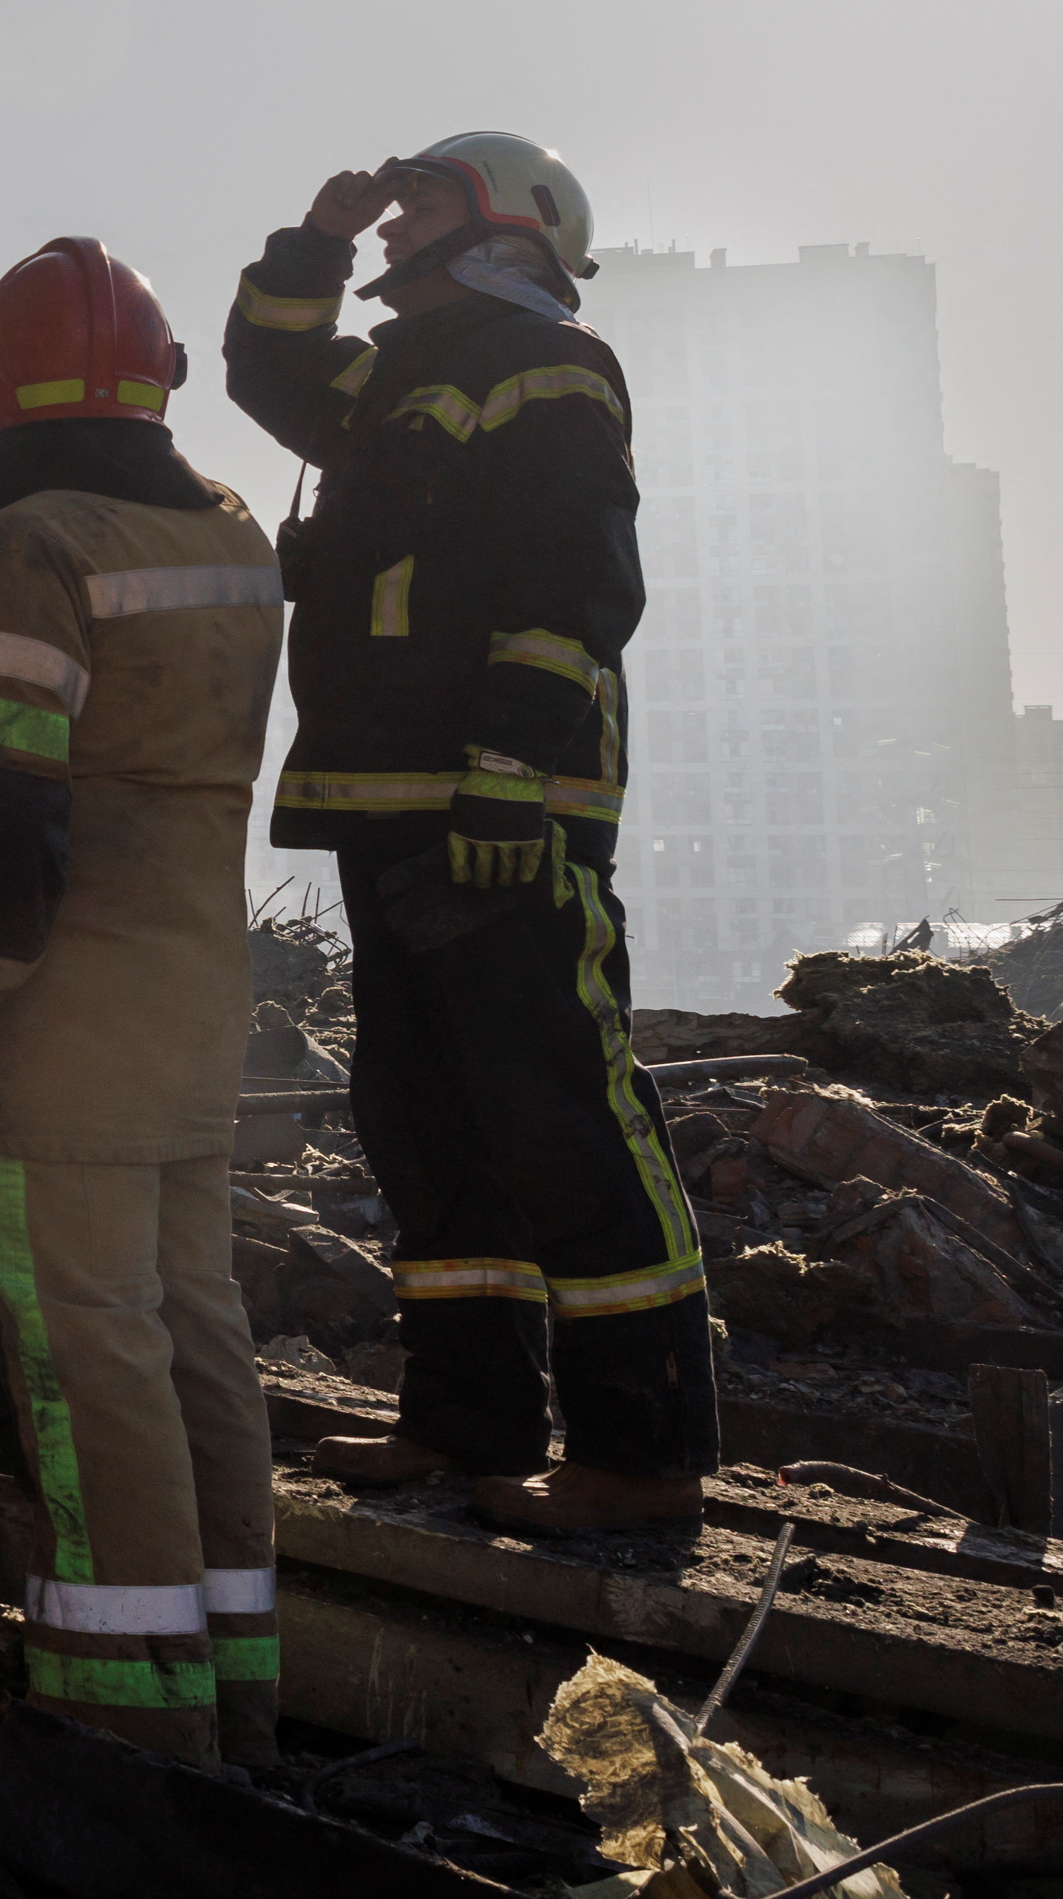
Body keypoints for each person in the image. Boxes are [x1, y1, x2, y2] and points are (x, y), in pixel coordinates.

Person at [223, 133, 711, 1528]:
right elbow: (270, 369)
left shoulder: (545, 365)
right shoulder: (396, 384)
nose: (396, 224)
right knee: (430, 1123)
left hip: (508, 806)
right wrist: (314, 241)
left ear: (501, 220)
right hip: (387, 801)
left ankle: (639, 1451)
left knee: (562, 1115)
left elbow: (576, 583)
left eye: (418, 200)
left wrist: (510, 767)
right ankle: (467, 1424)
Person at [0, 239, 289, 1766]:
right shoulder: (231, 535)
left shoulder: (32, 548)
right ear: (161, 382)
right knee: (193, 1342)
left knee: (77, 1364)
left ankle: (126, 1746)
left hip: (55, 1035)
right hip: (189, 1014)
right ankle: (234, 1699)